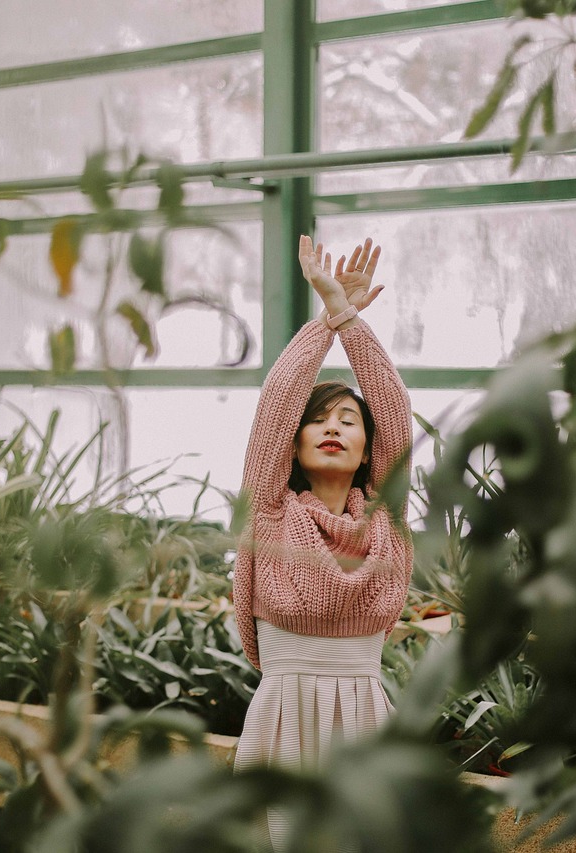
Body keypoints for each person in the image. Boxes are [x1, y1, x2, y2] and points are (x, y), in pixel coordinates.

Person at [232, 234, 413, 848]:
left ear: (368, 449)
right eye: (318, 419)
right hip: (284, 720)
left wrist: (353, 322)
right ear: (295, 443)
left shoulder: (386, 518)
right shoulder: (271, 512)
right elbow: (274, 408)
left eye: (348, 420)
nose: (332, 427)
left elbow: (392, 408)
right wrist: (324, 322)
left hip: (365, 719)